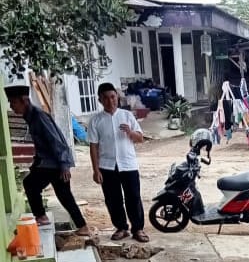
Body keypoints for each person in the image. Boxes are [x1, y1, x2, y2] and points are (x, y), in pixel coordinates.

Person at [4, 85, 90, 235]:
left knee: (30, 184)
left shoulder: (38, 116)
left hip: (54, 163)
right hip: (50, 162)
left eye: (13, 103)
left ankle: (42, 217)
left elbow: (55, 140)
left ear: (24, 101)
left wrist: (64, 165)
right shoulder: (31, 116)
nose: (11, 107)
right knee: (63, 194)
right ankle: (82, 226)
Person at [88, 83, 149, 243]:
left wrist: (130, 132)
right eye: (106, 98)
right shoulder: (96, 120)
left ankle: (138, 229)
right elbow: (93, 146)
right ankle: (121, 227)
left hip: (128, 164)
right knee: (112, 199)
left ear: (117, 97)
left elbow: (140, 138)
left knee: (133, 197)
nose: (110, 101)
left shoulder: (127, 116)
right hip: (107, 166)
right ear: (100, 100)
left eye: (113, 97)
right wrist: (96, 170)